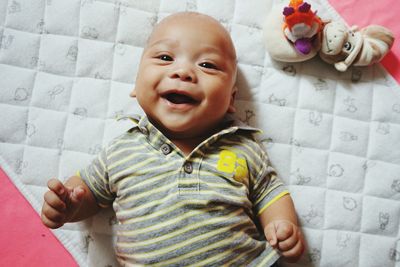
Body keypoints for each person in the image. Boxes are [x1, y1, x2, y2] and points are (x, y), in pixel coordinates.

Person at [41, 11, 305, 266]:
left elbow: (271, 192)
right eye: (165, 57)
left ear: (230, 100)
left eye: (207, 65)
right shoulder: (122, 150)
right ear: (136, 85)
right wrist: (70, 204)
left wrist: (283, 226)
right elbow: (88, 189)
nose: (183, 72)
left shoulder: (242, 146)